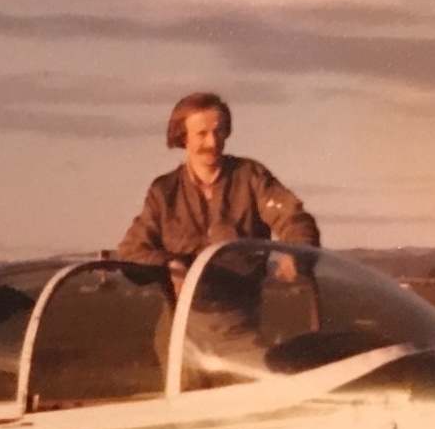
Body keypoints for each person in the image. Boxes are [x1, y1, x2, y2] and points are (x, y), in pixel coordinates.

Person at [117, 93, 319, 294]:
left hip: (241, 317)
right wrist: (169, 265)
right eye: (202, 134)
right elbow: (131, 251)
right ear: (182, 136)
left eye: (219, 131)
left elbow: (294, 219)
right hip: (180, 316)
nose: (213, 142)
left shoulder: (251, 177)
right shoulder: (163, 191)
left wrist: (296, 252)